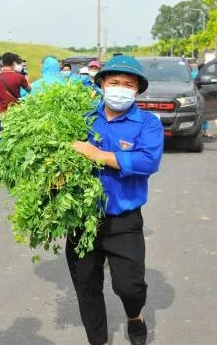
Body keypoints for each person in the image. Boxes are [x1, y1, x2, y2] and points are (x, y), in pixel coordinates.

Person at [70, 55, 164, 345]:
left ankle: (134, 315)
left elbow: (148, 161)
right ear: (101, 84)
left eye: (128, 84)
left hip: (124, 219)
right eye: (114, 82)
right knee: (86, 286)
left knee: (130, 286)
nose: (120, 88)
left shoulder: (147, 123)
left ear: (136, 90)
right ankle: (98, 340)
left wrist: (98, 155)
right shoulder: (80, 117)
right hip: (81, 219)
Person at [0, 52, 31, 131]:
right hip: (17, 111)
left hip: (3, 113)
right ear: (14, 63)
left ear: (2, 62)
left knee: (5, 134)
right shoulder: (19, 77)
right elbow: (29, 90)